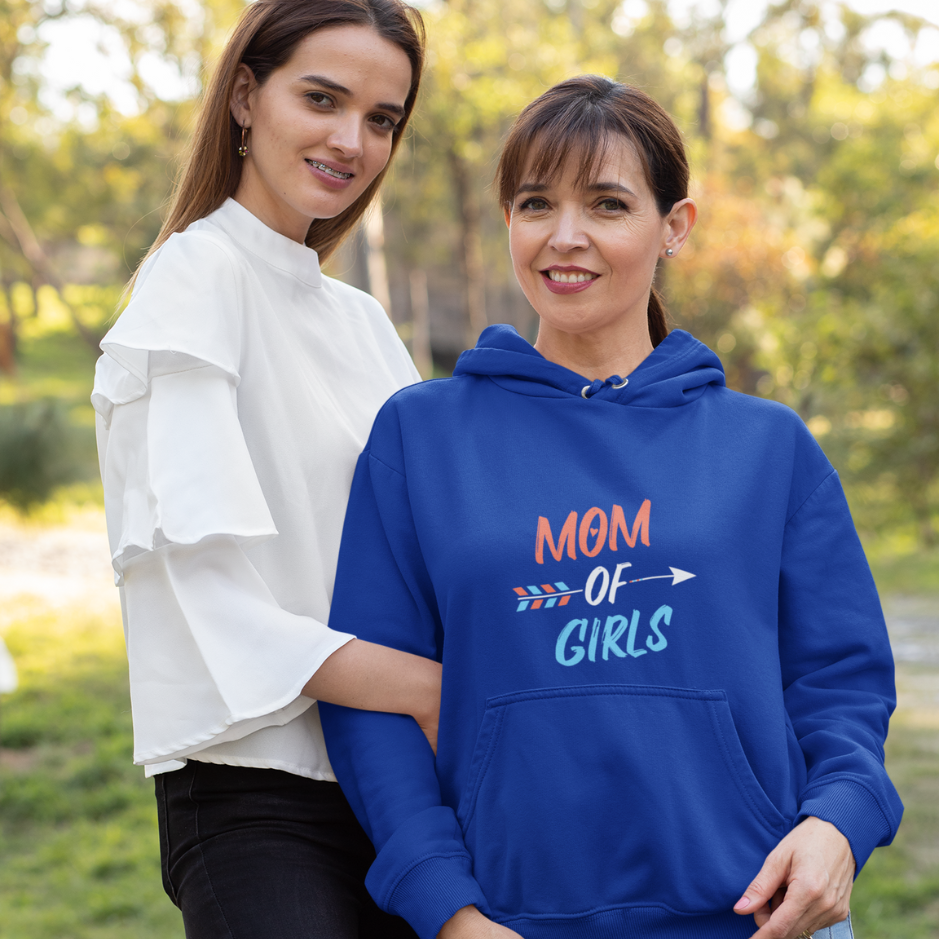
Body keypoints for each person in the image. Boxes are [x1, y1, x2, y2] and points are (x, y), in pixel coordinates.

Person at [319, 76, 903, 939]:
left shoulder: (766, 446)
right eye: (534, 203)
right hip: (509, 922)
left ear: (674, 227)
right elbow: (370, 691)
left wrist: (837, 825)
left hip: (755, 913)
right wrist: (447, 908)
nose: (565, 237)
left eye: (607, 204)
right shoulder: (421, 436)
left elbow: (841, 681)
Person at [91, 1, 437, 936]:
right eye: (320, 98)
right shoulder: (192, 282)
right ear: (245, 96)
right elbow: (215, 604)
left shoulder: (363, 322)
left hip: (401, 789)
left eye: (381, 119)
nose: (350, 140)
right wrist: (437, 690)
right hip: (257, 800)